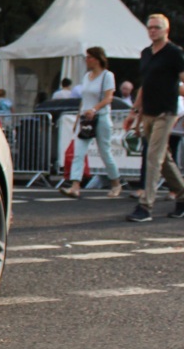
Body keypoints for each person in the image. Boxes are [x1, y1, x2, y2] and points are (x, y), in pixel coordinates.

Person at [125, 14, 184, 222]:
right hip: (148, 112)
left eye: (157, 27)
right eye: (150, 27)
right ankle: (182, 195)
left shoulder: (175, 53)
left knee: (153, 157)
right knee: (164, 159)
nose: (152, 31)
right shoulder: (146, 54)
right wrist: (134, 113)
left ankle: (145, 206)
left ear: (166, 30)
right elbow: (145, 85)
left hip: (165, 113)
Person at [61, 47, 123, 199]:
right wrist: (78, 118)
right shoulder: (87, 76)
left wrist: (94, 109)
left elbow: (109, 98)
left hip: (101, 117)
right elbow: (84, 100)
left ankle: (116, 183)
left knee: (105, 152)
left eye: (89, 57)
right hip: (86, 118)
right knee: (78, 152)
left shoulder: (107, 76)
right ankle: (75, 185)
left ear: (97, 59)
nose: (86, 60)